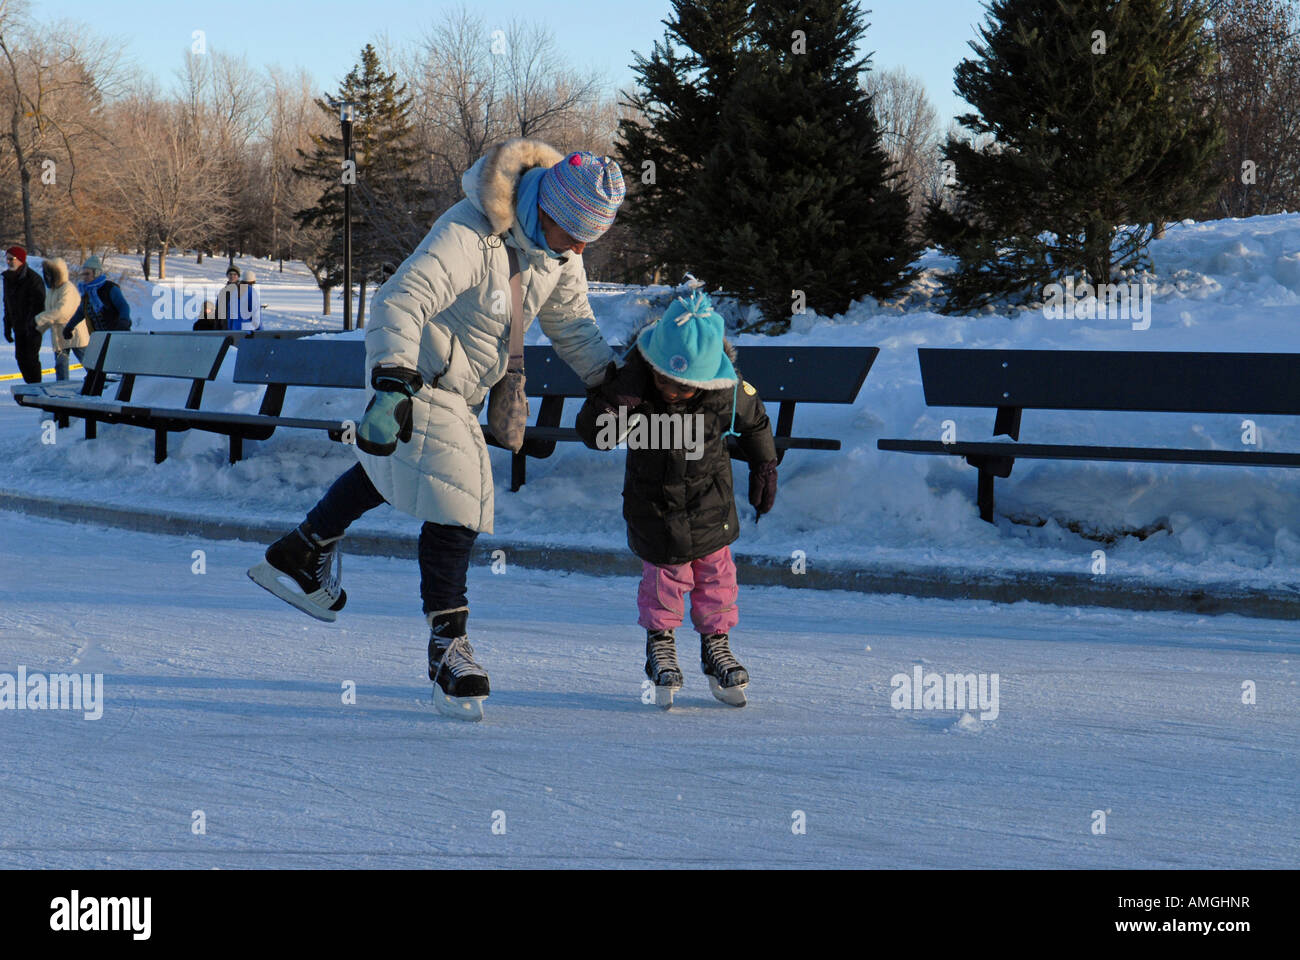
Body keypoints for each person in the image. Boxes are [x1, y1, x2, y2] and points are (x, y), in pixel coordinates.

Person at [248, 138, 628, 721]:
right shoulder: (471, 232)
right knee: (461, 496)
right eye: (574, 232)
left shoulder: (559, 256)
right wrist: (393, 381)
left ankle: (299, 551)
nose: (579, 248)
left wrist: (611, 380)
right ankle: (448, 646)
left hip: (460, 387)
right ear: (544, 208)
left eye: (588, 239)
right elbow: (402, 298)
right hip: (414, 375)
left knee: (401, 469)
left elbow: (572, 323)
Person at [575, 290, 779, 708]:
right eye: (664, 380)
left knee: (718, 580)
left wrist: (765, 467)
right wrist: (619, 398)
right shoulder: (636, 388)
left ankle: (716, 645)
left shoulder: (728, 390)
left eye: (684, 387)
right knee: (665, 580)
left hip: (711, 504)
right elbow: (594, 437)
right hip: (656, 508)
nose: (671, 391)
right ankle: (661, 643)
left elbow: (756, 422)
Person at [33, 257, 84, 381]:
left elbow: (62, 312)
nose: (48, 278)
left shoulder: (67, 288)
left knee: (87, 361)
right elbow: (49, 312)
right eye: (46, 275)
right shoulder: (51, 291)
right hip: (59, 335)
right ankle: (61, 388)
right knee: (60, 365)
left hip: (74, 332)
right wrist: (36, 328)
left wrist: (39, 319)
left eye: (51, 275)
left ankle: (102, 384)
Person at [3, 246, 47, 384]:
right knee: (20, 358)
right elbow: (7, 304)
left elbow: (39, 305)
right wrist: (7, 326)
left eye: (11, 259)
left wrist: (32, 325)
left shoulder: (33, 279)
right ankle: (30, 386)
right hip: (18, 326)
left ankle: (36, 387)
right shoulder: (7, 278)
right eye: (7, 259)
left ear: (21, 260)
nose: (8, 262)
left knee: (31, 358)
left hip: (33, 327)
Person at [66, 255, 131, 340]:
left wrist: (124, 320)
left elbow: (123, 305)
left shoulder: (109, 288)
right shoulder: (87, 293)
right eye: (83, 274)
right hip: (99, 339)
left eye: (87, 274)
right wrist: (69, 327)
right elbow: (81, 312)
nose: (84, 277)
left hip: (118, 336)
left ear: (96, 273)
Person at [217, 265, 260, 331]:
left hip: (241, 325)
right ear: (227, 275)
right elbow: (218, 310)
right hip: (225, 324)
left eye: (235, 274)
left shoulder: (244, 289)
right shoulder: (223, 292)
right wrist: (217, 324)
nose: (232, 276)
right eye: (230, 274)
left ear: (238, 276)